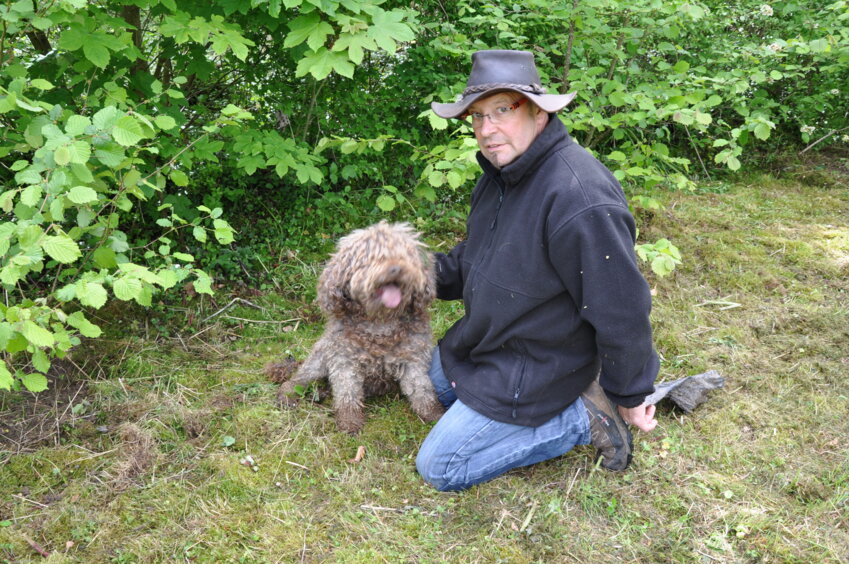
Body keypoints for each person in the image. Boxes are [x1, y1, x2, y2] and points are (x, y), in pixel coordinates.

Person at [415, 50, 660, 492]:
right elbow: (478, 257)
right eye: (477, 116)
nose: (486, 130)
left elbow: (621, 308)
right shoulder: (500, 175)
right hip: (487, 341)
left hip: (542, 364)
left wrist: (630, 391)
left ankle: (585, 416)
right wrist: (410, 275)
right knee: (425, 385)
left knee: (440, 467)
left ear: (538, 112)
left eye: (502, 110)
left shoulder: (579, 196)